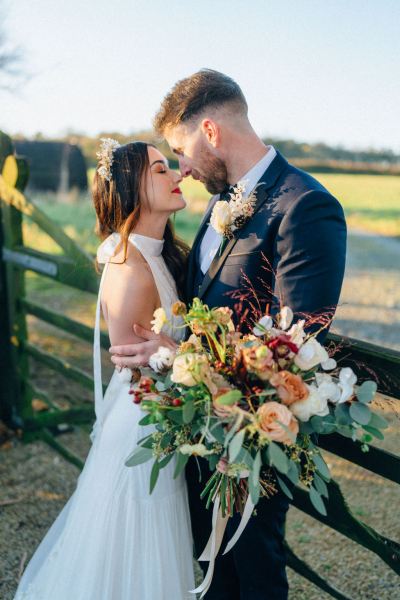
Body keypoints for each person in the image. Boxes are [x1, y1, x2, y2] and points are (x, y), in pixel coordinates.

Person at [110, 69, 347, 599]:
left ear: (210, 131)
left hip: (253, 437)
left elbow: (299, 344)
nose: (183, 168)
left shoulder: (305, 205)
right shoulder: (220, 202)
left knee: (255, 575)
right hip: (201, 433)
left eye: (181, 149)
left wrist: (181, 353)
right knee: (215, 574)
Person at [13, 140, 195, 600]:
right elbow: (137, 367)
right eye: (160, 170)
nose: (176, 175)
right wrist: (189, 359)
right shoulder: (131, 267)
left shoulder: (161, 253)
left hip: (164, 413)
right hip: (147, 423)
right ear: (132, 188)